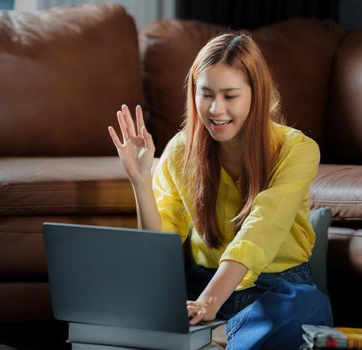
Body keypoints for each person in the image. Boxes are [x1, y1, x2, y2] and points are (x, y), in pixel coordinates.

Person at [108, 33, 333, 350]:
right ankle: (220, 336)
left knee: (307, 311)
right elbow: (159, 247)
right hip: (202, 284)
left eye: (230, 96)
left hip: (278, 288)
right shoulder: (179, 151)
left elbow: (260, 231)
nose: (215, 109)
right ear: (193, 94)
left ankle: (218, 337)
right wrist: (140, 180)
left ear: (257, 95)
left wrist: (209, 306)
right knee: (125, 302)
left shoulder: (297, 149)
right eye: (206, 95)